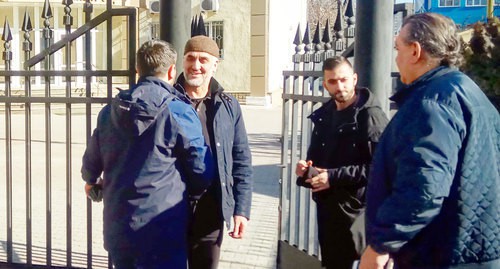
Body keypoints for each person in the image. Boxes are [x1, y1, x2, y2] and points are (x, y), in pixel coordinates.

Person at [360, 13, 500, 269]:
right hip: (472, 251)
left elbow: (424, 187)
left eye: (397, 48)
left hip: (441, 254)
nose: (396, 57)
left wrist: (382, 244)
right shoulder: (467, 91)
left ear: (415, 51)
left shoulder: (432, 103)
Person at [81, 40, 213, 269]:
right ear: (172, 70)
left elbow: (91, 163)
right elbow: (201, 171)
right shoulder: (178, 110)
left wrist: (91, 182)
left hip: (119, 228)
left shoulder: (110, 110)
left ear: (137, 70)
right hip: (162, 228)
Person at [295, 56, 388, 269]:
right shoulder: (325, 115)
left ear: (354, 79)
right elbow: (319, 161)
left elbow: (381, 168)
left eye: (344, 80)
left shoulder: (370, 116)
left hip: (357, 214)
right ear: (325, 84)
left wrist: (333, 177)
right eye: (333, 82)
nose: (340, 87)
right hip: (329, 210)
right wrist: (306, 172)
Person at [173, 35, 253, 269]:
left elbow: (241, 159)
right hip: (170, 207)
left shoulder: (228, 105)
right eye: (190, 58)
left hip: (212, 207)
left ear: (215, 64)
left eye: (203, 60)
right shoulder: (167, 100)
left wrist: (242, 210)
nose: (195, 65)